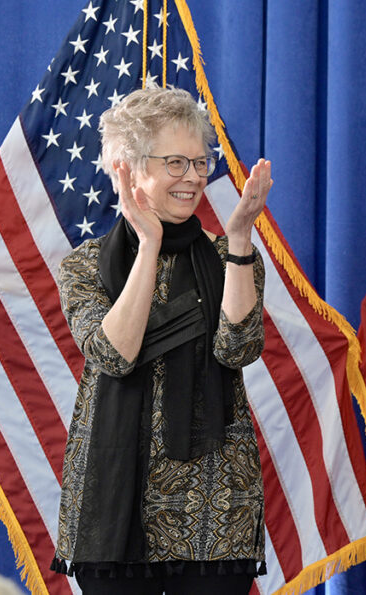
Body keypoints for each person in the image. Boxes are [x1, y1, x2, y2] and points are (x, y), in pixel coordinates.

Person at [51, 86, 273, 594]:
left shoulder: (232, 256)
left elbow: (238, 349)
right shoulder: (84, 266)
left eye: (200, 162)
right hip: (114, 503)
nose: (194, 177)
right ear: (129, 169)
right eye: (176, 162)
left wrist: (241, 239)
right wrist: (149, 244)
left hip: (217, 502)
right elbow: (114, 354)